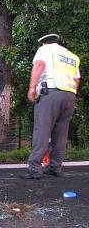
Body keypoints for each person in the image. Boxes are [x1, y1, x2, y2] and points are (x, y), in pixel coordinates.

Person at [21, 34, 80, 180]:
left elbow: (39, 65)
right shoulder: (72, 56)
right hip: (69, 96)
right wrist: (70, 95)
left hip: (51, 93)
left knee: (42, 130)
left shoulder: (45, 49)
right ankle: (55, 167)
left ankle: (35, 169)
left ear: (44, 43)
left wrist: (32, 87)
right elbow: (77, 79)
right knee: (61, 133)